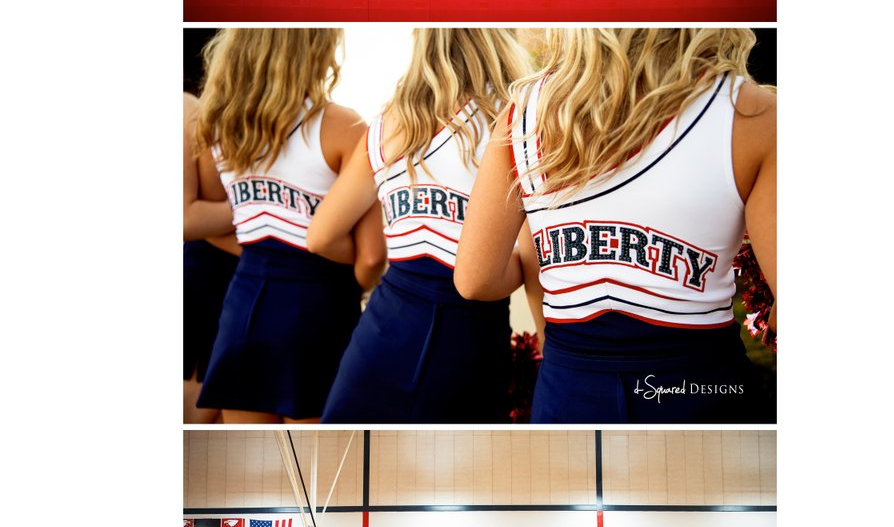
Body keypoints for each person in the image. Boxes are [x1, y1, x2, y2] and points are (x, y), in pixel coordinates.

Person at [455, 28, 776, 424]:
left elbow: (475, 279)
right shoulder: (753, 113)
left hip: (568, 389)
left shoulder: (524, 112)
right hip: (701, 389)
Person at [307, 28, 530, 424]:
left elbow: (320, 235)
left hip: (384, 326)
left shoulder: (390, 124)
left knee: (352, 467)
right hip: (471, 335)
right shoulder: (518, 119)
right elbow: (531, 262)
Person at [193, 29, 385, 423]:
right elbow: (371, 256)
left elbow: (224, 223)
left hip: (243, 300)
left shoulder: (220, 124)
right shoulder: (343, 126)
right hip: (321, 303)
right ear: (316, 47)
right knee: (317, 471)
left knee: (251, 469)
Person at [183, 91, 239, 423]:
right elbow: (187, 219)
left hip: (245, 275)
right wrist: (266, 206)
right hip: (209, 275)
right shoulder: (189, 108)